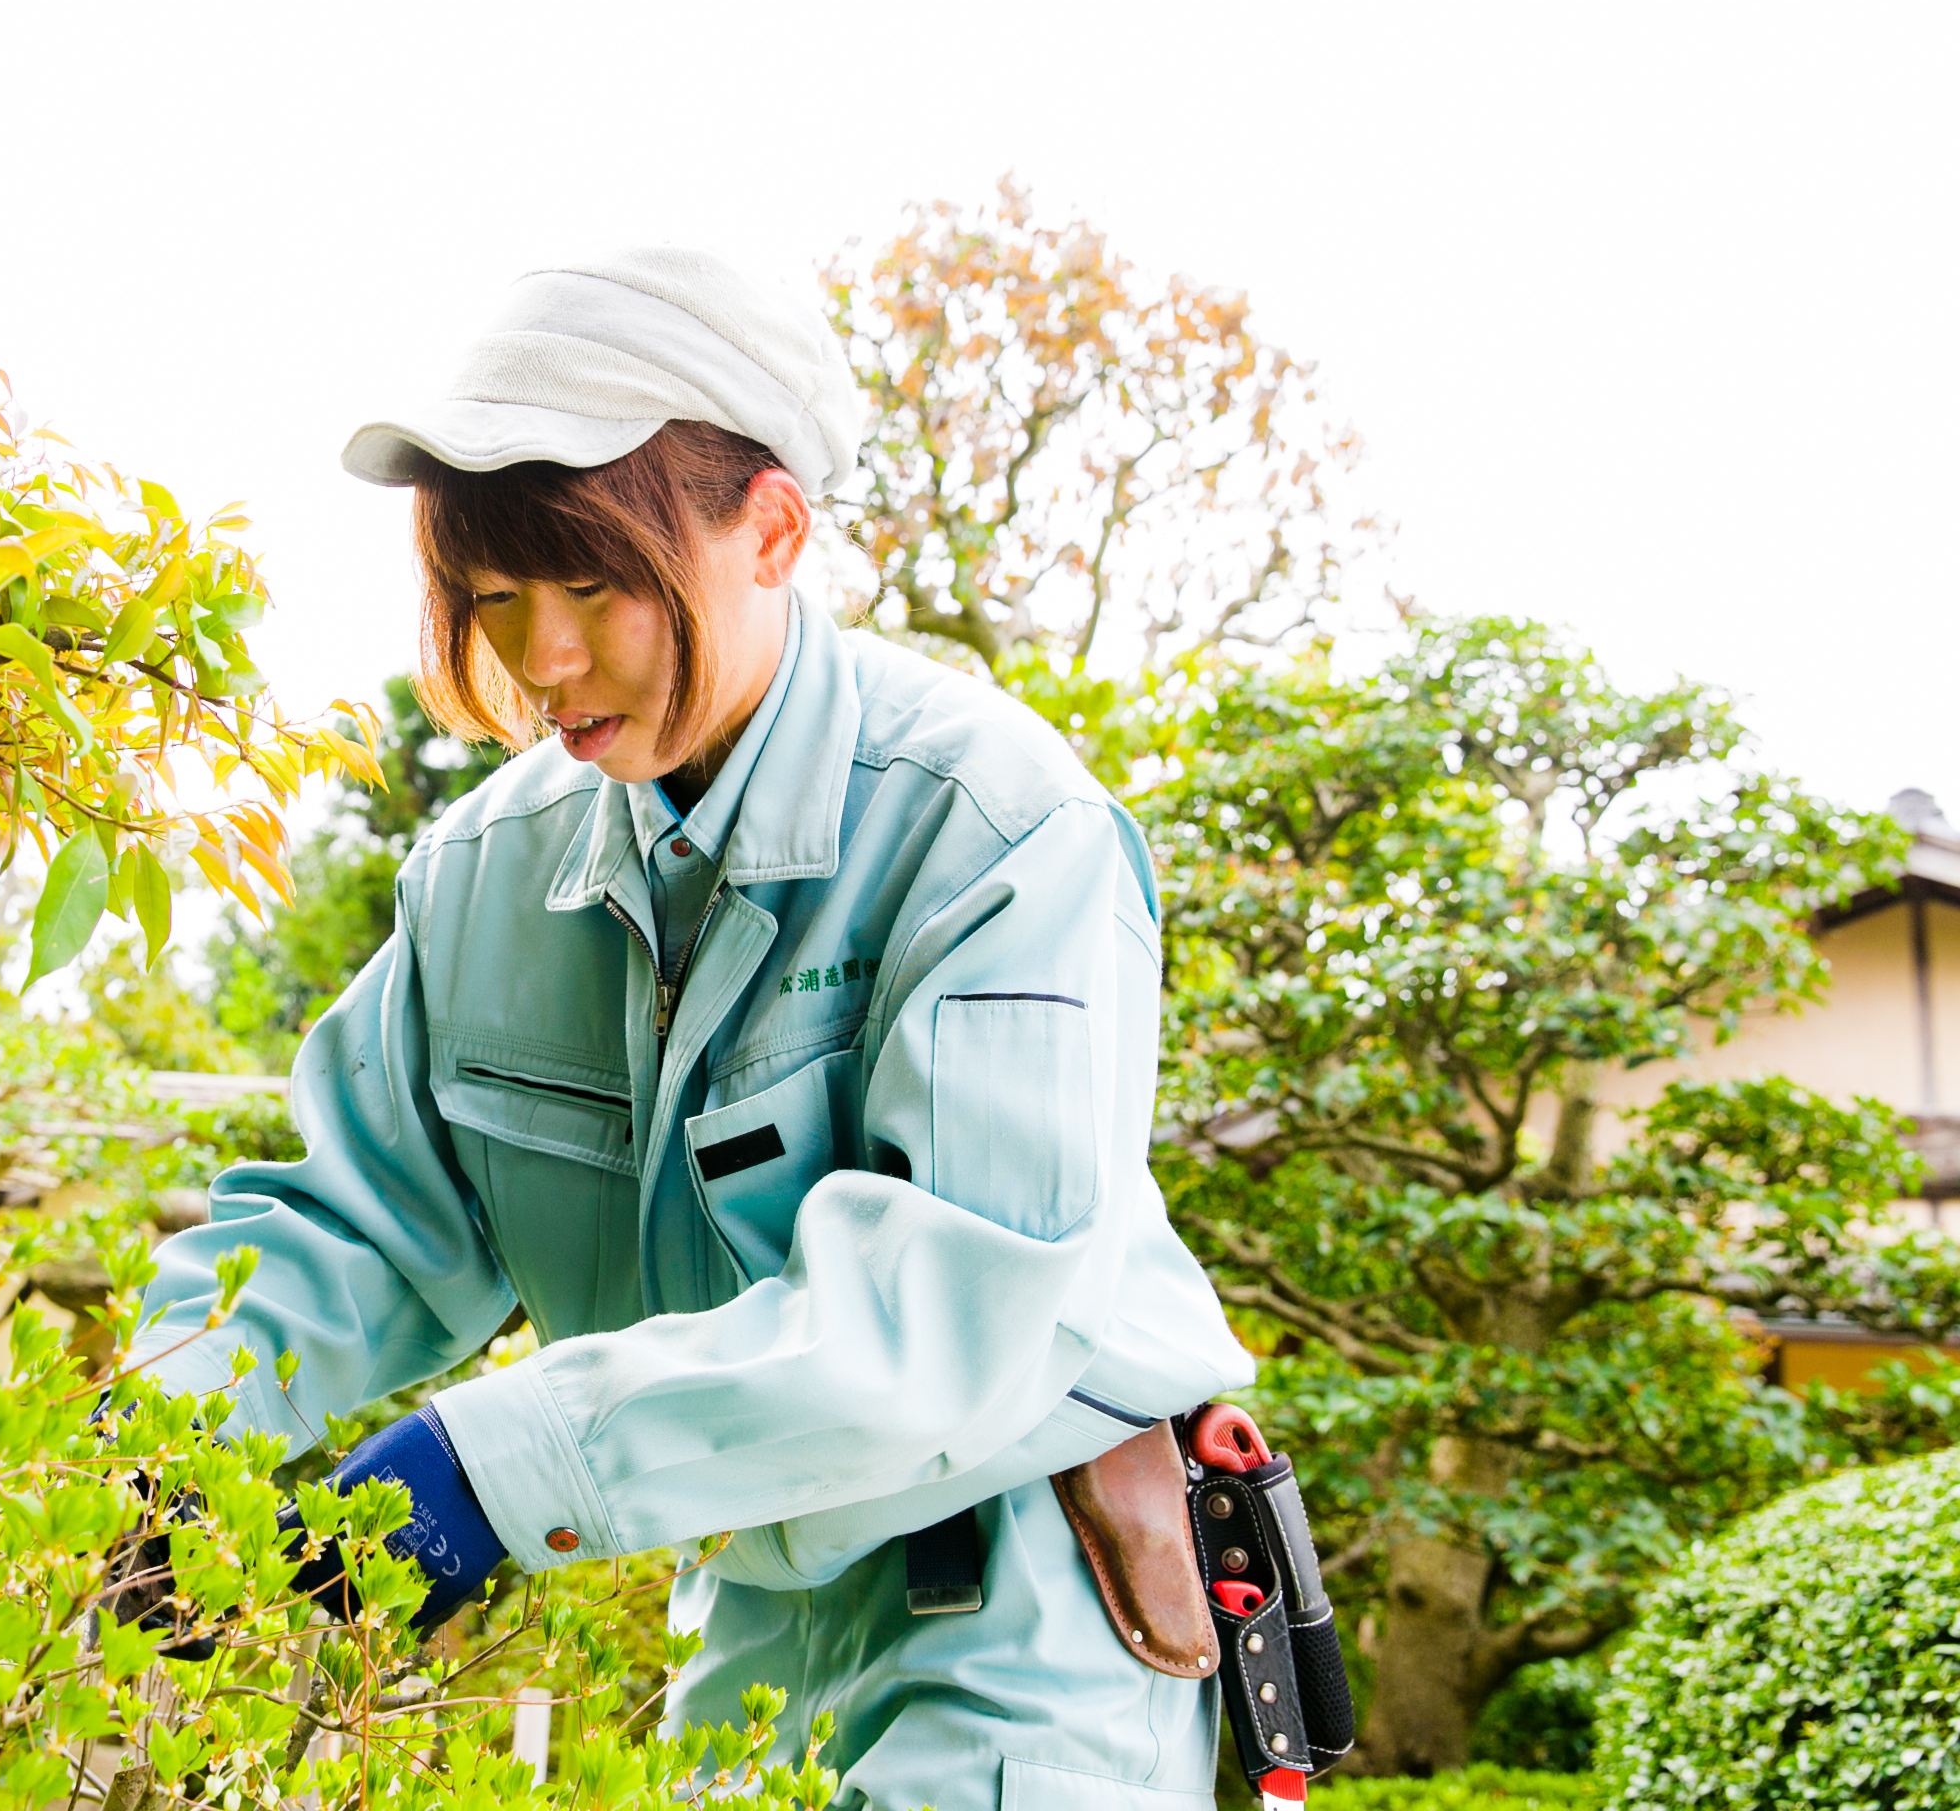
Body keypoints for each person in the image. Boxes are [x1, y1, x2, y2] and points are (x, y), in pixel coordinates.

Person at [123, 247, 1255, 1811]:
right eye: (494, 596)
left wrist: (486, 1468)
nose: (541, 661)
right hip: (754, 1612)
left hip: (1027, 1600)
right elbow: (359, 1224)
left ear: (771, 530)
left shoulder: (995, 828)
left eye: (591, 585)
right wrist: (149, 1445)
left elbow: (957, 1312)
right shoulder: (488, 872)